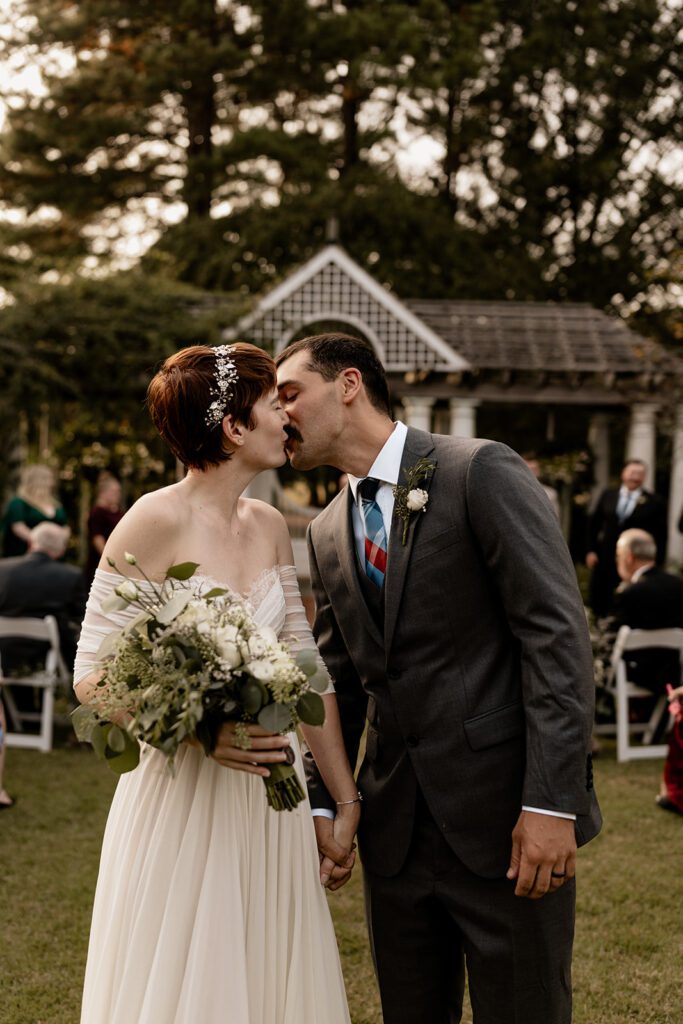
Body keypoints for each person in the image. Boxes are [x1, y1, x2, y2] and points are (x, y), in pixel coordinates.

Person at [272, 333, 601, 1024]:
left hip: (506, 823)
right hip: (394, 831)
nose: (278, 414)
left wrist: (550, 802)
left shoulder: (477, 469)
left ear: (349, 384)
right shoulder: (326, 530)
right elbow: (338, 678)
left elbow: (554, 635)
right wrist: (327, 803)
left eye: (290, 394)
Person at [73, 343, 357, 1024]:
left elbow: (302, 673)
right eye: (272, 403)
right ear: (234, 426)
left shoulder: (267, 526)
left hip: (271, 807)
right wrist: (201, 732)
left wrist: (341, 801)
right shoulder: (152, 519)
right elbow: (91, 675)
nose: (285, 418)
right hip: (185, 799)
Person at [0, 522, 86, 673]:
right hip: (49, 656)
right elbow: (81, 617)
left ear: (31, 542)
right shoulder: (70, 576)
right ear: (61, 550)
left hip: (5, 654)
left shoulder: (3, 569)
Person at [587, 460, 667, 617]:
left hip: (635, 558)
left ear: (644, 477)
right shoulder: (608, 495)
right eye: (632, 472)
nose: (635, 477)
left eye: (640, 474)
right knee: (601, 592)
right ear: (623, 473)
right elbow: (593, 525)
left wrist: (658, 560)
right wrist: (590, 550)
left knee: (630, 594)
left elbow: (661, 534)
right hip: (606, 555)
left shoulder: (655, 501)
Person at [610, 528, 683, 694]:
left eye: (618, 556)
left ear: (628, 558)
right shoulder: (679, 586)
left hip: (636, 676)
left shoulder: (629, 593)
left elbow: (611, 639)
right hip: (674, 675)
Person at [0, 464, 68, 557]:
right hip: (23, 555)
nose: (52, 483)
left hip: (53, 556)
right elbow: (18, 527)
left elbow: (64, 526)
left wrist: (60, 541)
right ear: (37, 480)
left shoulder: (56, 505)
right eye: (48, 479)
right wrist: (42, 544)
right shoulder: (19, 503)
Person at [84, 473, 125, 586]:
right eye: (114, 492)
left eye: (119, 491)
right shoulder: (97, 512)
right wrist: (111, 560)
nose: (118, 495)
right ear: (103, 493)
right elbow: (98, 539)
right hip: (103, 561)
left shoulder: (117, 511)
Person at [522, 452, 560, 519]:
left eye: (534, 469)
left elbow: (555, 518)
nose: (532, 472)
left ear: (538, 471)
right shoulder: (516, 491)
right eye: (528, 469)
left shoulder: (550, 493)